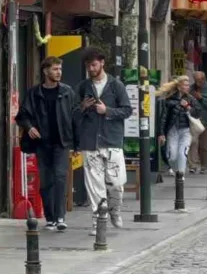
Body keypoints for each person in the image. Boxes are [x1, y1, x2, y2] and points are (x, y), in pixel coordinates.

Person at [74, 47, 133, 235]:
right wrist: (82, 107)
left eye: (93, 65)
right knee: (94, 186)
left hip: (112, 141)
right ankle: (98, 221)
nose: (91, 69)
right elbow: (72, 114)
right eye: (88, 65)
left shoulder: (116, 86)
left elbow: (127, 110)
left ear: (102, 63)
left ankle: (115, 210)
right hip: (90, 143)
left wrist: (107, 111)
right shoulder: (83, 87)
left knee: (116, 183)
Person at [15, 56, 77, 231]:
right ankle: (50, 217)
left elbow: (75, 118)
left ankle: (60, 217)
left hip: (61, 142)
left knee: (60, 177)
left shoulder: (67, 92)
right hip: (42, 143)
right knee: (46, 181)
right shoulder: (34, 93)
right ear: (45, 71)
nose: (59, 72)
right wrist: (29, 127)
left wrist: (76, 144)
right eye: (55, 69)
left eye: (60, 69)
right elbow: (22, 114)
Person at [157, 76, 201, 177]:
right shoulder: (169, 100)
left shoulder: (190, 98)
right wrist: (161, 133)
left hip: (186, 131)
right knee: (172, 157)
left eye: (188, 85)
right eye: (185, 85)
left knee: (182, 153)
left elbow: (198, 112)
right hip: (173, 131)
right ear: (179, 87)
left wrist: (188, 107)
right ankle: (177, 170)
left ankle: (180, 176)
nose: (188, 87)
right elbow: (163, 117)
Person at [187, 71, 207, 174]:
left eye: (199, 80)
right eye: (195, 80)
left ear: (203, 79)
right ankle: (193, 165)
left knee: (204, 145)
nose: (197, 82)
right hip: (194, 120)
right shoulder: (191, 88)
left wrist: (201, 98)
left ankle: (204, 166)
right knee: (193, 143)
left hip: (206, 121)